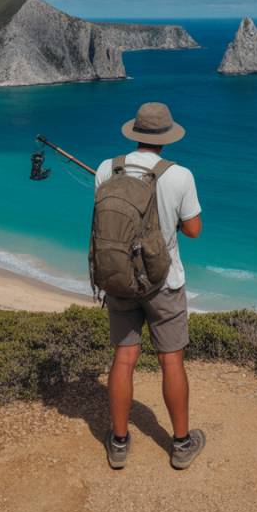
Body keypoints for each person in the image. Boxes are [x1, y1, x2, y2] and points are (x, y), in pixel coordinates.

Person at [94, 101, 205, 470]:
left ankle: (119, 442)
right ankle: (181, 443)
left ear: (135, 132)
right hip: (164, 282)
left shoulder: (107, 168)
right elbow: (194, 230)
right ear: (166, 137)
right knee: (170, 360)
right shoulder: (180, 175)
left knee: (124, 358)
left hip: (120, 278)